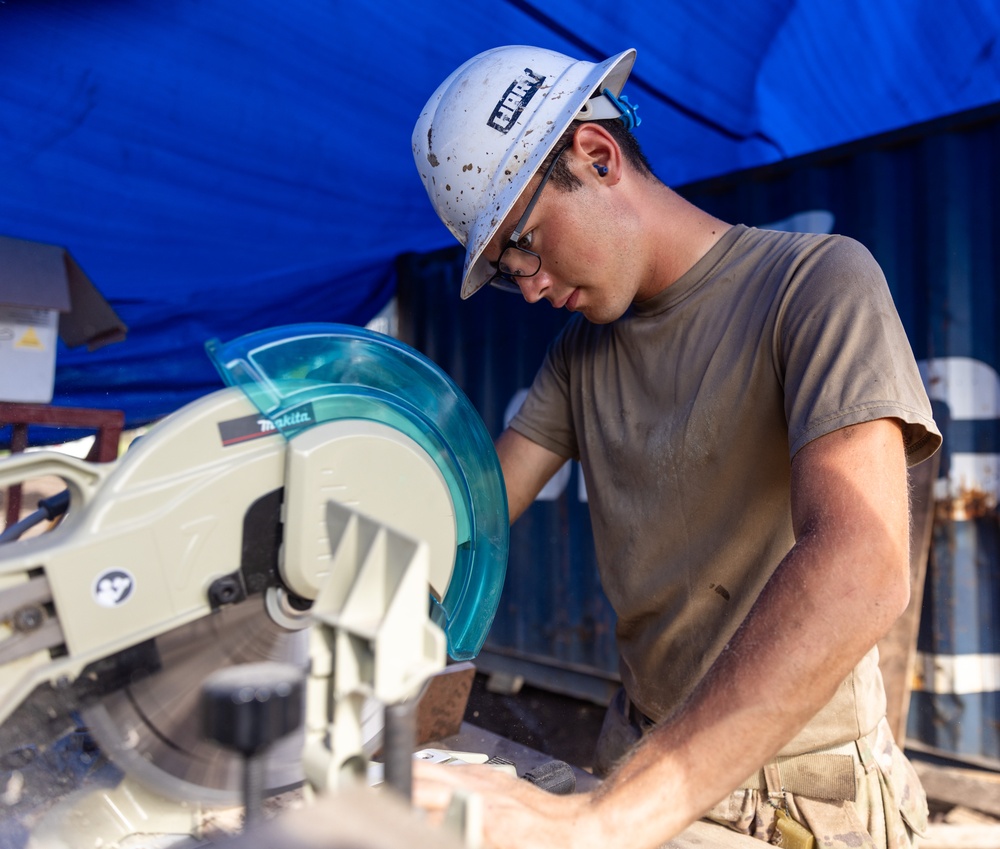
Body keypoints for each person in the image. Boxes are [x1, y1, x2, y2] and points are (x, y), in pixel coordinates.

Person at [410, 45, 941, 849]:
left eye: (524, 240)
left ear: (597, 156)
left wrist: (604, 822)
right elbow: (471, 512)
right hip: (637, 755)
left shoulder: (814, 285)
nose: (527, 284)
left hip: (801, 798)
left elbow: (863, 564)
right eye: (505, 266)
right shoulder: (578, 356)